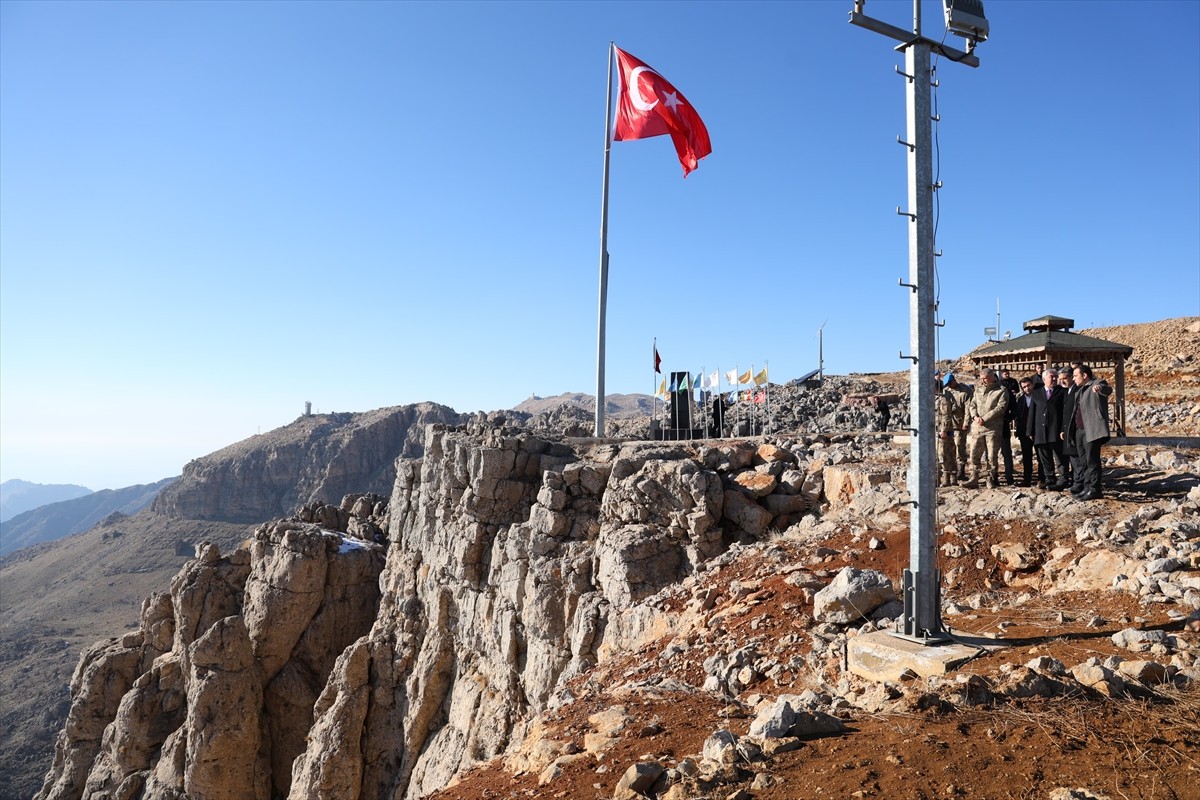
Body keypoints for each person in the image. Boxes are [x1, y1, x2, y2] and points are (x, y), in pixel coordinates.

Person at [1067, 362, 1113, 500]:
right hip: (1079, 430)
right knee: (1084, 461)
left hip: (1091, 430)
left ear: (1085, 375)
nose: (1073, 379)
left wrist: (1100, 389)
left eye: (1075, 376)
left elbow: (1107, 390)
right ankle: (1087, 488)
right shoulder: (1080, 390)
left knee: (1092, 460)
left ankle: (1095, 489)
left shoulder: (1097, 384)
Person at [963, 368, 1010, 489]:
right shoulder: (978, 389)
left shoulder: (1001, 390)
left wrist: (985, 418)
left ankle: (991, 478)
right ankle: (974, 477)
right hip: (977, 428)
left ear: (992, 377)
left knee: (992, 456)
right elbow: (972, 404)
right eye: (981, 378)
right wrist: (975, 416)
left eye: (985, 378)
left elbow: (1001, 407)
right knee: (974, 453)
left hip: (992, 429)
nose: (982, 381)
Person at [1029, 368, 1068, 489]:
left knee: (1060, 457)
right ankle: (1049, 479)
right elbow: (1032, 412)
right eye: (1052, 376)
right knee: (1045, 458)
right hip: (1041, 431)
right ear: (1044, 379)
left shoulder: (1062, 392)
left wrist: (1063, 429)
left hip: (1056, 430)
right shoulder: (1037, 393)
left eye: (1056, 376)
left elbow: (1065, 413)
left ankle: (1063, 479)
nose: (1055, 379)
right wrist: (1030, 431)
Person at [942, 373, 972, 481]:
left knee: (960, 446)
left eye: (950, 383)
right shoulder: (946, 392)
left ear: (954, 381)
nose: (949, 386)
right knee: (949, 448)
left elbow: (969, 408)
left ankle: (961, 471)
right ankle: (951, 472)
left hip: (960, 424)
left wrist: (966, 422)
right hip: (948, 425)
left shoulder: (965, 391)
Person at [1012, 375, 1037, 486]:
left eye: (1028, 385)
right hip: (1024, 432)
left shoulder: (1039, 397)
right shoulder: (1021, 399)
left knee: (1041, 456)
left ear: (1032, 385)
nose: (1027, 388)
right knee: (1026, 457)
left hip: (1037, 432)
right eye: (1024, 387)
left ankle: (1042, 479)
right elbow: (1018, 416)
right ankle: (1027, 479)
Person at [934, 377, 958, 486]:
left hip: (943, 431)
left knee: (944, 454)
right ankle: (943, 478)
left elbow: (946, 416)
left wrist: (944, 430)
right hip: (936, 430)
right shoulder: (934, 399)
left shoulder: (942, 399)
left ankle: (947, 479)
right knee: (942, 454)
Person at [1058, 367, 1079, 490]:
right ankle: (1074, 482)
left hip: (1075, 429)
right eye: (1060, 379)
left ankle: (1078, 483)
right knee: (1071, 457)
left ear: (1071, 377)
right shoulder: (1066, 391)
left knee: (1076, 459)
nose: (1062, 381)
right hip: (1067, 430)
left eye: (1065, 378)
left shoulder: (1078, 390)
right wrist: (1062, 429)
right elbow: (1064, 413)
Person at [998, 371, 1019, 484]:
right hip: (990, 427)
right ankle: (993, 476)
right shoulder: (984, 393)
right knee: (991, 454)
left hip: (1003, 425)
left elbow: (1014, 408)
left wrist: (1008, 418)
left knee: (1006, 452)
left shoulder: (1006, 392)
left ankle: (1009, 475)